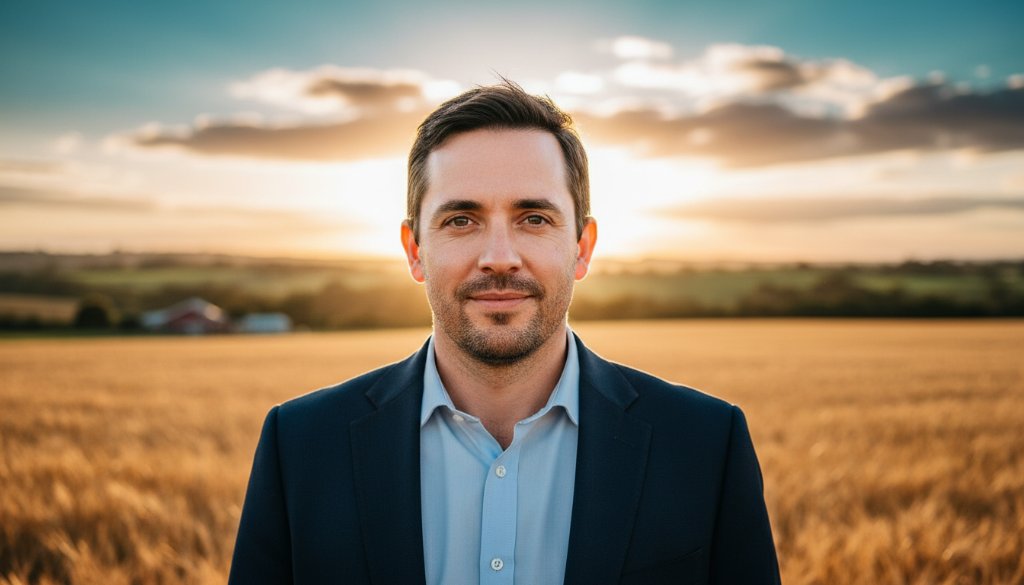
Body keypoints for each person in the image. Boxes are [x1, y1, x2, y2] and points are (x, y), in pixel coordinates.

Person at [229, 80, 780, 585]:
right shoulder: (300, 446)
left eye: (534, 218)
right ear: (415, 250)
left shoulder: (706, 445)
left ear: (582, 248)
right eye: (461, 220)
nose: (498, 258)